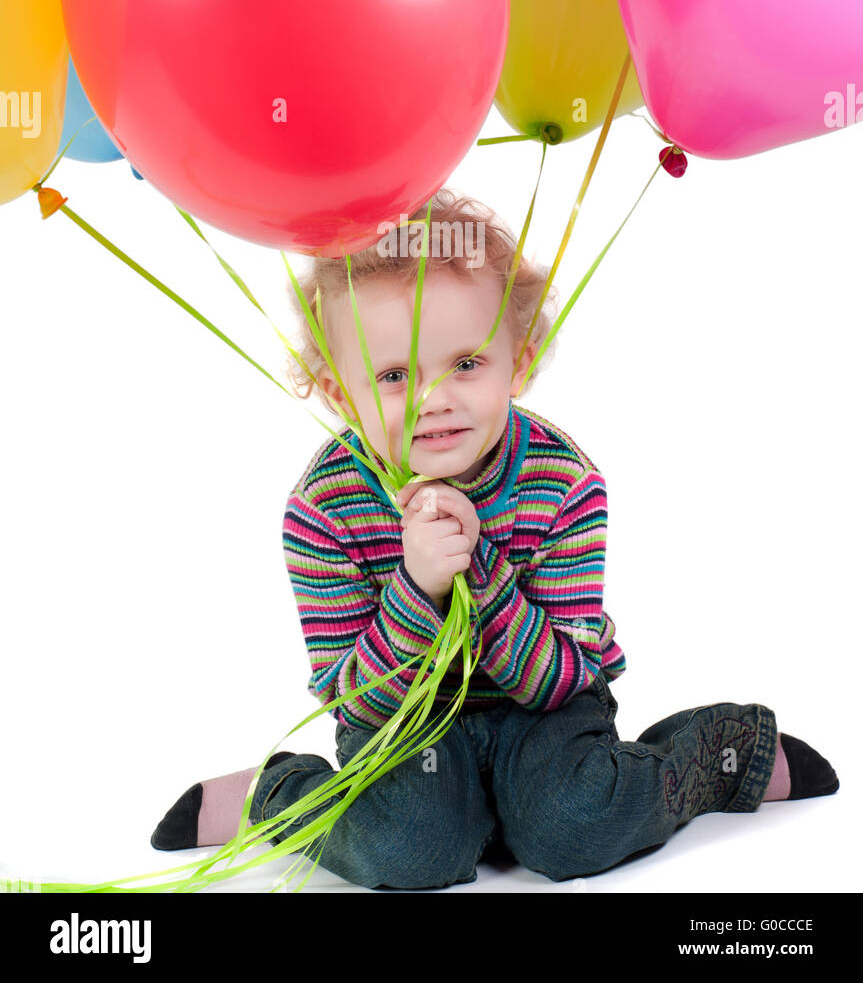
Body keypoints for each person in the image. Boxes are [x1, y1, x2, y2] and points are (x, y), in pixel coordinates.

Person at [151, 188, 839, 889]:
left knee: (573, 826)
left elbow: (565, 678)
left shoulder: (562, 483)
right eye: (392, 377)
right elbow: (353, 700)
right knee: (408, 850)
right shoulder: (324, 509)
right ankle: (276, 797)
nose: (433, 400)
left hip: (536, 710)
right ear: (336, 390)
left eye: (466, 364)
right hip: (403, 722)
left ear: (521, 357)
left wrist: (475, 569)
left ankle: (721, 756)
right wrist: (417, 589)